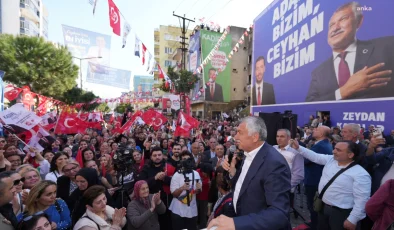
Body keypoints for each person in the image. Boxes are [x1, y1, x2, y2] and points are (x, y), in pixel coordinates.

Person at [211, 116, 291, 230]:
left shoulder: (274, 164)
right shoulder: (248, 154)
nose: (235, 136)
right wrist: (231, 171)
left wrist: (237, 223)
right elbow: (243, 186)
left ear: (255, 137)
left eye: (240, 132)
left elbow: (279, 214)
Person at [305, 2, 394, 102]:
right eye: (331, 25)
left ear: (358, 21)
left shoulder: (387, 46)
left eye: (343, 19)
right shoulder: (318, 73)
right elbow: (309, 105)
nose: (335, 28)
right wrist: (343, 92)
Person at [289, 140, 371, 230]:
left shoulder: (360, 174)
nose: (333, 151)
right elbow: (316, 157)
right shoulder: (331, 160)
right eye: (335, 148)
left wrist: (353, 219)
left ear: (350, 155)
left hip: (342, 214)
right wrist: (298, 148)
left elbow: (362, 200)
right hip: (323, 208)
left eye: (338, 150)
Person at [169, 151, 202, 230]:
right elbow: (174, 194)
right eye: (184, 159)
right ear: (181, 161)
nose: (187, 161)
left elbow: (199, 191)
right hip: (178, 210)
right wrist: (182, 188)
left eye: (188, 159)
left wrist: (198, 189)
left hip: (192, 210)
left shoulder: (196, 174)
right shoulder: (176, 175)